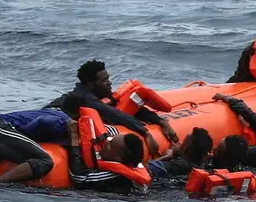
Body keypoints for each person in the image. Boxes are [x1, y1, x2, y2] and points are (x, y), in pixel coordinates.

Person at [0, 108, 145, 189]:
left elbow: (108, 129)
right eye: (109, 140)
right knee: (44, 161)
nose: (106, 142)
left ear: (121, 156)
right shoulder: (59, 123)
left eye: (111, 143)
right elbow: (28, 125)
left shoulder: (93, 133)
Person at [46, 59, 176, 152]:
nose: (109, 83)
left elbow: (128, 109)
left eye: (108, 78)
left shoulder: (98, 94)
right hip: (52, 124)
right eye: (104, 80)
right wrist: (145, 132)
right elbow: (114, 114)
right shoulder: (85, 98)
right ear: (91, 84)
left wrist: (161, 121)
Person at [150, 127, 214, 180]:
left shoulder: (178, 165)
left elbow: (145, 169)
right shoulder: (203, 163)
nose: (179, 144)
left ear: (186, 148)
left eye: (182, 143)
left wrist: (166, 156)